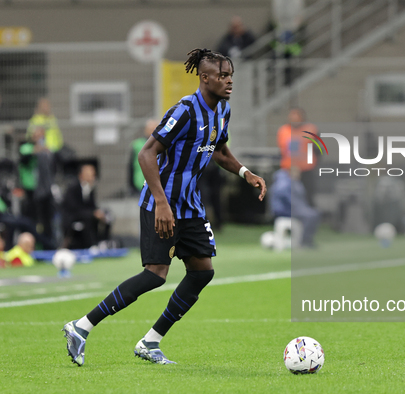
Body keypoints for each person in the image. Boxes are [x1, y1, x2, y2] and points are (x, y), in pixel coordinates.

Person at [62, 48, 267, 366]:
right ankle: (80, 327)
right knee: (156, 274)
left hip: (190, 206)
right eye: (223, 76)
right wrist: (161, 202)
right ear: (205, 78)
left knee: (202, 272)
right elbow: (147, 153)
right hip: (162, 203)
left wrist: (244, 172)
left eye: (231, 76)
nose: (229, 81)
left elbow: (219, 148)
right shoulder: (185, 110)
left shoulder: (222, 110)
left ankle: (150, 342)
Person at [18, 126, 56, 246]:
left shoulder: (46, 149)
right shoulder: (26, 148)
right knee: (31, 221)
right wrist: (36, 150)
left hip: (44, 191)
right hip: (31, 191)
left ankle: (49, 245)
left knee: (47, 220)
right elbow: (24, 160)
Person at [61, 163, 110, 250]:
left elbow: (92, 206)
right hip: (73, 217)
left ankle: (103, 242)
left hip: (86, 215)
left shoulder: (90, 189)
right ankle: (91, 245)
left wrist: (98, 212)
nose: (91, 177)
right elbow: (74, 209)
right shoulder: (72, 189)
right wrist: (93, 213)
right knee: (89, 218)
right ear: (81, 175)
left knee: (106, 216)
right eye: (88, 175)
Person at [276, 107, 318, 206]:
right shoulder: (283, 131)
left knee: (307, 195)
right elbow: (282, 151)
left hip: (306, 170)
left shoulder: (311, 130)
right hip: (288, 170)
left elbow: (317, 150)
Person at [270, 168, 319, 248]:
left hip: (293, 209)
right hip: (285, 211)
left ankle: (304, 240)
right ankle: (305, 240)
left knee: (313, 213)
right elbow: (285, 197)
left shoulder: (294, 182)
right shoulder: (284, 182)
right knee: (311, 216)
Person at [129, 119, 159, 193]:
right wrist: (131, 184)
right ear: (146, 130)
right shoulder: (137, 144)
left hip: (158, 183)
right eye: (151, 129)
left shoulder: (161, 145)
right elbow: (131, 165)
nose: (153, 131)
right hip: (140, 182)